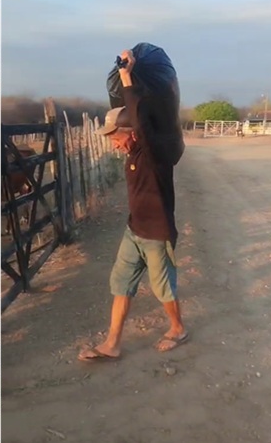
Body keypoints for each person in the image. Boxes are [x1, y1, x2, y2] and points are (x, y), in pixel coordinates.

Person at [77, 49, 188, 361]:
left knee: (162, 288)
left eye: (115, 135)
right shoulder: (130, 156)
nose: (112, 141)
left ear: (133, 134)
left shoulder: (152, 153)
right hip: (134, 229)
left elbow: (139, 117)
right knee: (120, 284)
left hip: (156, 233)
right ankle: (112, 343)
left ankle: (178, 328)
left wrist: (127, 75)